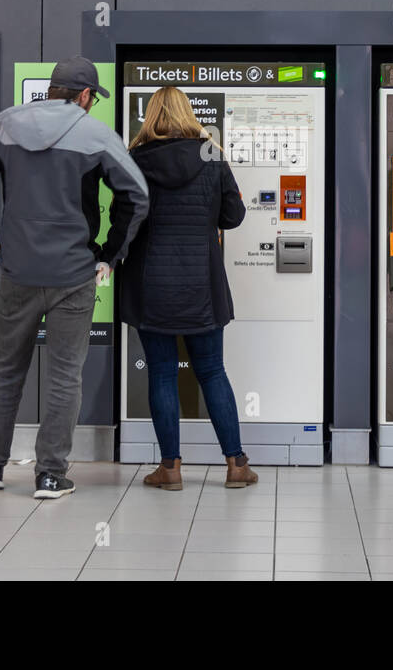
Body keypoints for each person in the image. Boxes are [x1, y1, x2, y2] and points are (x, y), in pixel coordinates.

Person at [0, 57, 148, 500]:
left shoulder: (6, 127)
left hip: (17, 272)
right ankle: (50, 475)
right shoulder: (96, 134)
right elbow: (137, 195)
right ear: (85, 95)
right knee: (64, 377)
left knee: (6, 371)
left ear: (52, 90)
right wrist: (109, 254)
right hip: (73, 274)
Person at [108, 85, 258, 490]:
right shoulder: (212, 156)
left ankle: (170, 469)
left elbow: (123, 220)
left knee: (161, 374)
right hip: (202, 286)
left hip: (150, 286)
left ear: (151, 116)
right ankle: (236, 465)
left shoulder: (134, 160)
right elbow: (234, 216)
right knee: (212, 371)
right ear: (188, 114)